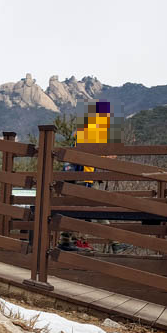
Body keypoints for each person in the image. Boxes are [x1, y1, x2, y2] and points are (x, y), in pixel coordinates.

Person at [58, 101, 131, 254]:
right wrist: (106, 157)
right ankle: (115, 242)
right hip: (86, 178)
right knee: (96, 210)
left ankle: (66, 241)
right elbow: (91, 154)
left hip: (83, 177)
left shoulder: (87, 130)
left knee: (78, 209)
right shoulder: (91, 130)